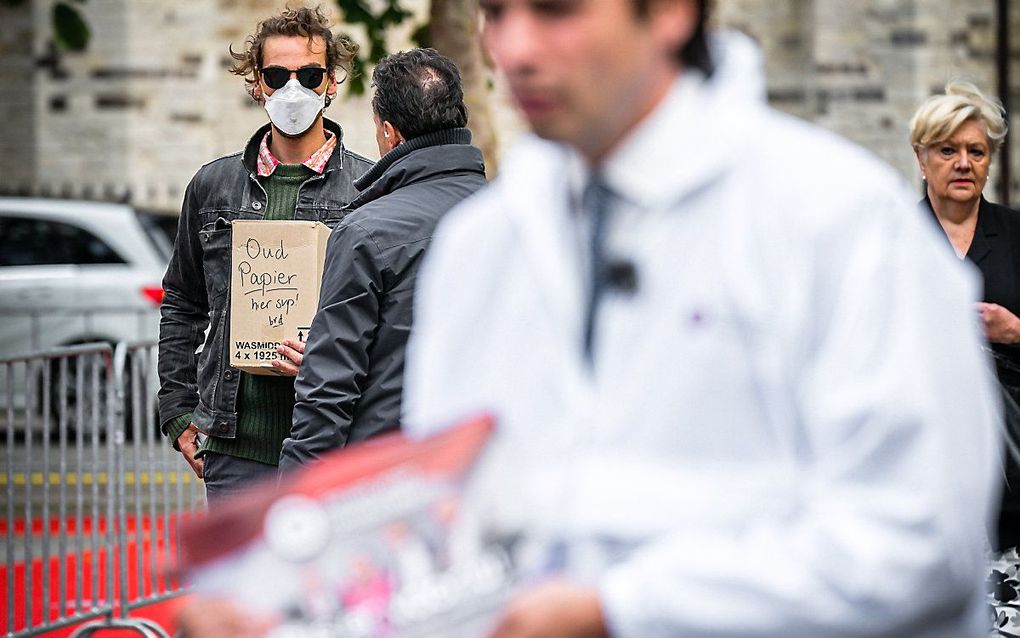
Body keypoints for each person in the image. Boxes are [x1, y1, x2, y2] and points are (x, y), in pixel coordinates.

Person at [402, 1, 1002, 636]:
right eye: (495, 11)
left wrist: (620, 608)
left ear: (669, 13)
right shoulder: (477, 246)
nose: (513, 48)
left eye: (556, 10)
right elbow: (444, 509)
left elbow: (920, 536)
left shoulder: (839, 220)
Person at [157, 6, 373, 505]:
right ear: (257, 84)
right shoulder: (213, 186)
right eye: (277, 75)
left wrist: (327, 358)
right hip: (235, 448)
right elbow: (182, 302)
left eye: (309, 74)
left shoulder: (367, 189)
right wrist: (178, 413)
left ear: (331, 83)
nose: (292, 89)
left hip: (332, 442)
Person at [277, 48, 487, 471]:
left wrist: (295, 498)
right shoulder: (513, 216)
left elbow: (329, 390)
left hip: (390, 478)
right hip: (493, 467)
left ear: (388, 132)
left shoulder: (365, 231)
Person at [910, 82, 1020, 549]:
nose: (962, 163)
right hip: (920, 456)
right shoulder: (893, 237)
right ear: (921, 159)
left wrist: (1014, 330)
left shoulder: (1016, 233)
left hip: (1011, 466)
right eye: (946, 149)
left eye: (976, 151)